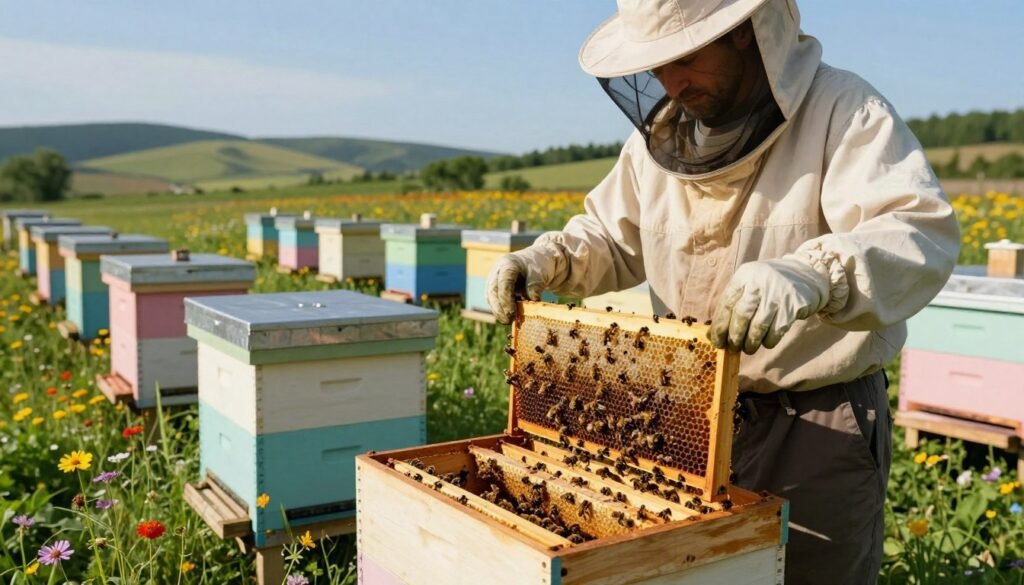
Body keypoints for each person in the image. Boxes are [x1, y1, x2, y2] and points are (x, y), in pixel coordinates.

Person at [486, 0, 961, 582]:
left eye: (684, 58)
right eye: (655, 65)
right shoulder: (659, 139)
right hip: (684, 414)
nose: (670, 82)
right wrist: (548, 259)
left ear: (744, 34)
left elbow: (916, 232)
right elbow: (612, 236)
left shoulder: (845, 111)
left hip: (814, 419)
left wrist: (813, 275)